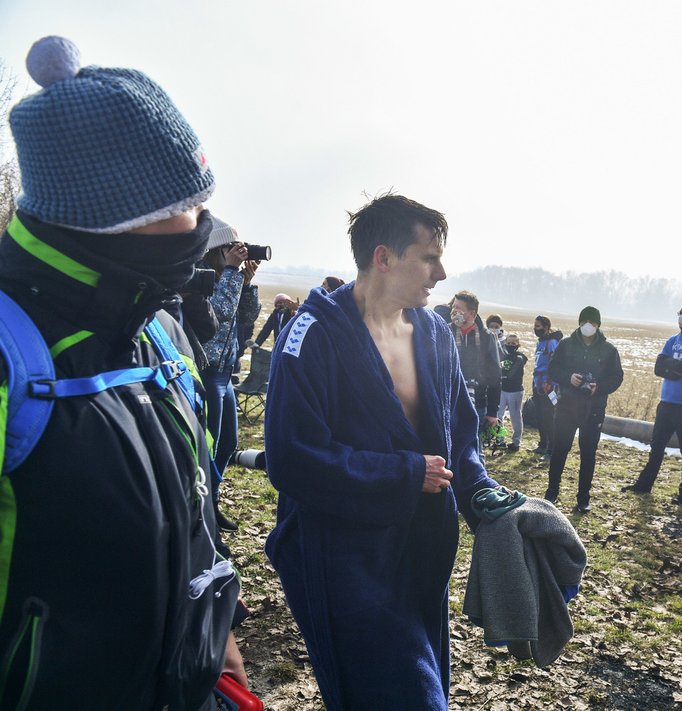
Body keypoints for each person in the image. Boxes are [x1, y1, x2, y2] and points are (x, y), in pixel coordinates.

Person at [0, 35, 244, 708]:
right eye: (180, 207)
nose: (202, 227)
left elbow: (196, 506)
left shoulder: (160, 331)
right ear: (102, 218)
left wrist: (218, 645)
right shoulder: (8, 349)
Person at [263, 193, 502, 708]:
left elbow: (459, 432)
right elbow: (291, 456)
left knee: (419, 680)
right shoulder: (313, 337)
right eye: (429, 257)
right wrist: (400, 474)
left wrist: (479, 490)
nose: (441, 273)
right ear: (384, 257)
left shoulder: (434, 332)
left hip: (423, 548)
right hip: (345, 557)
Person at [198, 220, 262, 532]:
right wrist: (232, 273)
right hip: (206, 370)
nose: (237, 253)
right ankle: (201, 508)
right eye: (230, 248)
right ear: (214, 249)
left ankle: (211, 500)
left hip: (225, 372)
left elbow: (247, 317)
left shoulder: (231, 277)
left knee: (227, 444)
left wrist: (247, 283)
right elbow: (219, 311)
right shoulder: (200, 276)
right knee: (207, 447)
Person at [623, 304, 682, 505]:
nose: (681, 317)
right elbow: (658, 368)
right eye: (680, 313)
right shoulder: (672, 340)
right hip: (666, 403)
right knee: (656, 447)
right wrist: (675, 368)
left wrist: (671, 366)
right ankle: (644, 485)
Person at [545, 306, 624, 513]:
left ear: (598, 326)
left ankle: (583, 498)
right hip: (567, 406)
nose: (588, 326)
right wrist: (568, 377)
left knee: (588, 453)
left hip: (594, 408)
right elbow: (553, 369)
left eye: (592, 323)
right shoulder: (566, 345)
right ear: (579, 323)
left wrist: (600, 387)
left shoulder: (609, 350)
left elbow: (617, 377)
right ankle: (552, 492)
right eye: (584, 322)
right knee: (560, 449)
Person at [449, 291, 502, 438]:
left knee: (475, 448)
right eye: (453, 306)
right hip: (450, 401)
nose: (453, 311)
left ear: (471, 313)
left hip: (478, 402)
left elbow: (495, 376)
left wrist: (492, 412)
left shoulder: (487, 337)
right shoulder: (445, 331)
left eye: (458, 308)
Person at [532, 315, 563, 457]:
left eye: (538, 326)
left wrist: (549, 381)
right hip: (537, 382)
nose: (535, 328)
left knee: (549, 415)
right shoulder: (540, 342)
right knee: (539, 414)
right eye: (534, 326)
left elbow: (554, 362)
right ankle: (543, 443)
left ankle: (552, 447)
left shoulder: (551, 342)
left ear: (546, 327)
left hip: (548, 385)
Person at [497, 333, 529, 452]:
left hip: (515, 391)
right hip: (502, 390)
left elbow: (512, 373)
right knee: (498, 415)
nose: (511, 345)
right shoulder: (502, 355)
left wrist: (503, 376)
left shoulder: (520, 357)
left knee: (515, 416)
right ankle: (500, 439)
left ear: (518, 345)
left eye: (514, 343)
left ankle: (516, 442)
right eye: (509, 343)